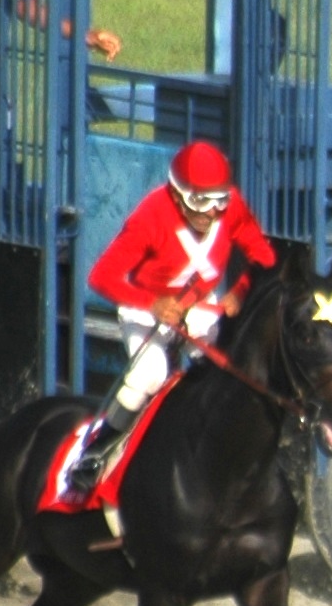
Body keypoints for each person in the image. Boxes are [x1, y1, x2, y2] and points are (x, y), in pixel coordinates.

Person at [71, 139, 277, 491]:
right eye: (201, 202)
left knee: (226, 372)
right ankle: (95, 454)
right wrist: (153, 304)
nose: (212, 212)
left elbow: (265, 258)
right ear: (178, 194)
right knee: (150, 375)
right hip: (145, 309)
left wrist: (240, 291)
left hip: (201, 306)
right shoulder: (150, 216)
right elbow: (101, 276)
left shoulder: (233, 209)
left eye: (219, 201)